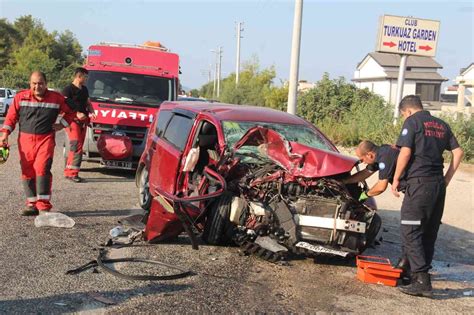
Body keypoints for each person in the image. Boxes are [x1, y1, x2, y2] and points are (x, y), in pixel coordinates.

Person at [391, 95, 464, 298]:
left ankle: (422, 279)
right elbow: (458, 153)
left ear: (407, 111)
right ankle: (411, 273)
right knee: (428, 230)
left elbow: (405, 153)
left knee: (410, 229)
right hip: (438, 186)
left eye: (404, 114)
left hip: (419, 184)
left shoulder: (412, 122)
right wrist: (446, 179)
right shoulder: (442, 125)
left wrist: (396, 178)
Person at [0, 71, 76, 215]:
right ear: (30, 84)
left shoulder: (56, 98)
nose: (37, 86)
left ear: (46, 84)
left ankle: (44, 206)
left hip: (45, 139)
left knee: (42, 169)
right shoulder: (20, 97)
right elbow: (11, 117)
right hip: (25, 140)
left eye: (40, 83)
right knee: (27, 171)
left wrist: (62, 124)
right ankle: (31, 203)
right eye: (34, 83)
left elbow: (72, 111)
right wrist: (4, 134)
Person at [62, 67, 96, 182]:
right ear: (79, 76)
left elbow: (88, 103)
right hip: (72, 121)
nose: (86, 79)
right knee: (76, 145)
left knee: (78, 146)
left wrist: (92, 111)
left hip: (83, 122)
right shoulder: (68, 90)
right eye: (85, 77)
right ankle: (72, 173)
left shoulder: (85, 89)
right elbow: (64, 107)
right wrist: (77, 113)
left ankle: (69, 171)